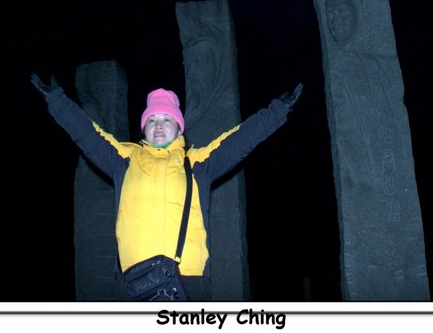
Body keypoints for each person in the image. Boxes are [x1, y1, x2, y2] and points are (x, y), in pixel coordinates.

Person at [31, 73, 303, 301]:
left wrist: (277, 110)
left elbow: (238, 141)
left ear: (179, 128)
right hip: (134, 283)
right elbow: (89, 134)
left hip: (188, 281)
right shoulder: (124, 158)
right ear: (144, 127)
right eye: (152, 120)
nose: (158, 126)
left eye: (166, 120)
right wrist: (57, 101)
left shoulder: (197, 163)